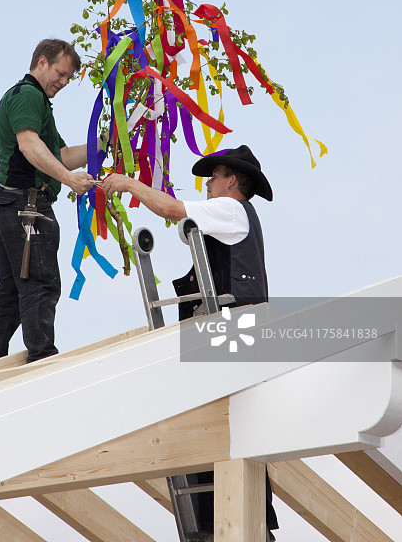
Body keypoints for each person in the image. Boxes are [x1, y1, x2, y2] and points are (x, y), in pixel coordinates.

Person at [103, 145, 278, 541]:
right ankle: (232, 523)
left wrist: (128, 182)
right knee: (224, 436)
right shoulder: (229, 216)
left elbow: (169, 209)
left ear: (231, 181)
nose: (208, 185)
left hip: (234, 335)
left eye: (212, 178)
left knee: (221, 437)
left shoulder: (231, 209)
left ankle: (235, 523)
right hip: (230, 339)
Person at [0, 39, 94, 366]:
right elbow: (29, 146)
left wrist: (102, 145)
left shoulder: (38, 103)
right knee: (40, 284)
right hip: (23, 208)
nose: (64, 81)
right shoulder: (27, 95)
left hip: (10, 205)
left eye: (68, 77)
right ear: (42, 61)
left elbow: (62, 157)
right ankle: (43, 361)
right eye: (60, 72)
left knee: (12, 293)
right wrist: (69, 181)